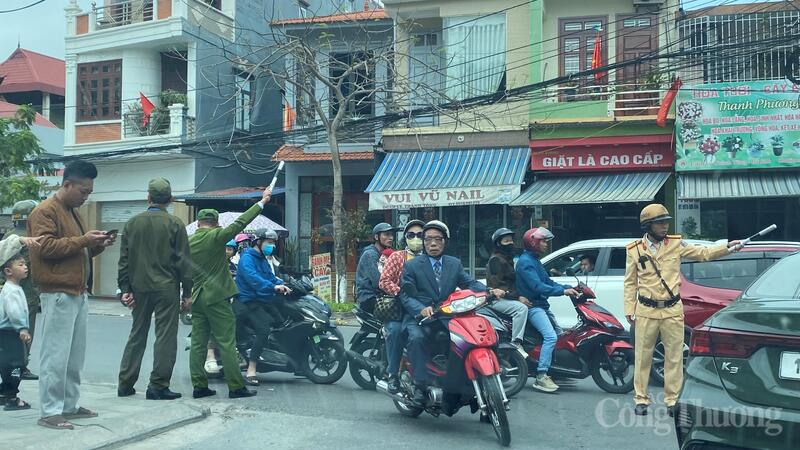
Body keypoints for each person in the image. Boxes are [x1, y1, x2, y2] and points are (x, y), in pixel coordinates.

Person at [624, 204, 740, 417]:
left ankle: (672, 400)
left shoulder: (676, 244)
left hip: (672, 309)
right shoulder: (634, 250)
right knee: (642, 357)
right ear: (648, 225)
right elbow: (630, 282)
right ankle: (641, 399)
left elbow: (703, 253)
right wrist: (629, 308)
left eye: (666, 222)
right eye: (660, 223)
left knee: (674, 357)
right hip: (646, 310)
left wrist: (727, 247)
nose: (665, 226)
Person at [28, 160, 114, 430]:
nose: (86, 197)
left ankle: (68, 405)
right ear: (67, 185)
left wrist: (97, 245)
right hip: (57, 292)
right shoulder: (44, 211)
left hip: (77, 291)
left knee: (74, 357)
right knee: (55, 355)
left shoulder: (73, 212)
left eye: (89, 192)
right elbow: (45, 248)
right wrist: (85, 240)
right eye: (83, 191)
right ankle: (50, 411)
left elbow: (76, 250)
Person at [188, 187, 272, 400]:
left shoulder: (189, 241)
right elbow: (240, 223)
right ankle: (236, 387)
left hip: (197, 298)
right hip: (217, 297)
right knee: (226, 342)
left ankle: (199, 386)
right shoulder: (216, 236)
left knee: (198, 344)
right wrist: (261, 202)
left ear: (198, 224)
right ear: (216, 223)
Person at [117, 178, 193, 401]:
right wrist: (187, 293)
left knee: (137, 333)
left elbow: (124, 260)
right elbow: (184, 262)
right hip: (166, 288)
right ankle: (158, 386)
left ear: (148, 198)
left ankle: (125, 383)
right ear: (170, 199)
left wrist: (125, 288)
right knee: (165, 336)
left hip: (139, 287)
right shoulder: (175, 224)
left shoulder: (132, 223)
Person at [399, 220, 486, 407]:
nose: (433, 243)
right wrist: (420, 309)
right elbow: (405, 295)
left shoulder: (454, 264)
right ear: (423, 242)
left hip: (446, 316)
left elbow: (469, 283)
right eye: (428, 239)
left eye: (438, 239)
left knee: (466, 340)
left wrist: (489, 291)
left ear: (445, 242)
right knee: (417, 338)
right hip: (420, 318)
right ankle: (419, 386)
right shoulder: (412, 266)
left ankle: (464, 384)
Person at [515, 227, 579, 393]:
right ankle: (541, 375)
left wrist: (570, 287)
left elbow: (548, 282)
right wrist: (563, 292)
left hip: (542, 305)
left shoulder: (534, 260)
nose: (545, 244)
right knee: (551, 337)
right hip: (533, 307)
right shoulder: (526, 262)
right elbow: (538, 287)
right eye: (543, 241)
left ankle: (555, 370)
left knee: (560, 335)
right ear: (533, 242)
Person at [235, 228, 290, 386]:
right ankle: (251, 369)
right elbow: (254, 279)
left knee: (280, 321)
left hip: (260, 300)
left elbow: (270, 277)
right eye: (269, 242)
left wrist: (284, 283)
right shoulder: (247, 259)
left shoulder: (262, 259)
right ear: (258, 242)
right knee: (263, 329)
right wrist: (273, 287)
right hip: (246, 302)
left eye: (273, 243)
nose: (272, 246)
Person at [378, 219, 425, 394]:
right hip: (399, 309)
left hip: (425, 308)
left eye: (420, 235)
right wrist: (402, 293)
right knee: (396, 332)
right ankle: (393, 374)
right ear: (405, 238)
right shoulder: (398, 257)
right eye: (411, 235)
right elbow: (384, 281)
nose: (416, 239)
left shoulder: (431, 258)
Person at [0, 234, 41, 411]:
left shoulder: (13, 288)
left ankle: (4, 393)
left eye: (25, 264)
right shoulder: (12, 291)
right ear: (8, 271)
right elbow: (14, 312)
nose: (26, 267)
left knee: (7, 364)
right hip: (11, 333)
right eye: (21, 265)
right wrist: (22, 329)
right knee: (15, 365)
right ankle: (11, 397)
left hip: (8, 333)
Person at [2, 200, 41, 380]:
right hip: (27, 294)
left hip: (9, 291)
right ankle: (21, 366)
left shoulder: (9, 236)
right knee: (25, 330)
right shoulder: (30, 238)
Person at [485, 228, 531, 359]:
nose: (510, 243)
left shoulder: (508, 258)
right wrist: (517, 297)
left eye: (511, 240)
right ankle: (516, 343)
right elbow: (498, 288)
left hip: (507, 296)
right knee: (521, 309)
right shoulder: (496, 261)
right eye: (506, 241)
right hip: (496, 299)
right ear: (498, 244)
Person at [355, 223, 398, 313]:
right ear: (376, 237)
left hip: (381, 296)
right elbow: (378, 281)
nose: (390, 238)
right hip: (369, 298)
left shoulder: (385, 254)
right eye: (386, 234)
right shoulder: (370, 254)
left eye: (391, 235)